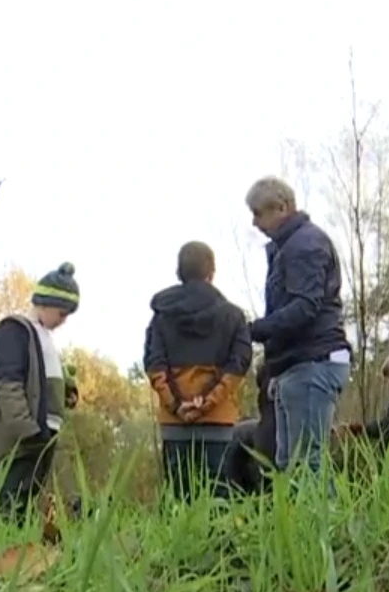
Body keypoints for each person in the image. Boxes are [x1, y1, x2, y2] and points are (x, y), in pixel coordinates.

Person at [242, 177, 351, 473]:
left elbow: (305, 307)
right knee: (290, 464)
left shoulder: (304, 245)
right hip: (296, 362)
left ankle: (322, 521)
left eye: (258, 213)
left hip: (313, 360)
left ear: (282, 207)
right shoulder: (287, 248)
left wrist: (255, 330)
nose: (254, 223)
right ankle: (302, 519)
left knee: (306, 462)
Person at [144, 242, 252, 498]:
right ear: (211, 273)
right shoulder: (234, 317)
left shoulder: (161, 317)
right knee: (220, 501)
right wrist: (207, 402)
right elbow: (239, 365)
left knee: (178, 502)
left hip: (175, 425)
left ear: (179, 272)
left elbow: (153, 363)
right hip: (219, 424)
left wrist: (176, 405)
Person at [0, 263, 81, 524]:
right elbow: (8, 384)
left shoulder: (44, 337)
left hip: (47, 431)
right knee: (12, 496)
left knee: (30, 497)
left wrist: (67, 391)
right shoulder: (16, 331)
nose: (63, 320)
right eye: (61, 313)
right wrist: (25, 428)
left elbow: (45, 378)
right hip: (24, 435)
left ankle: (20, 549)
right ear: (45, 303)